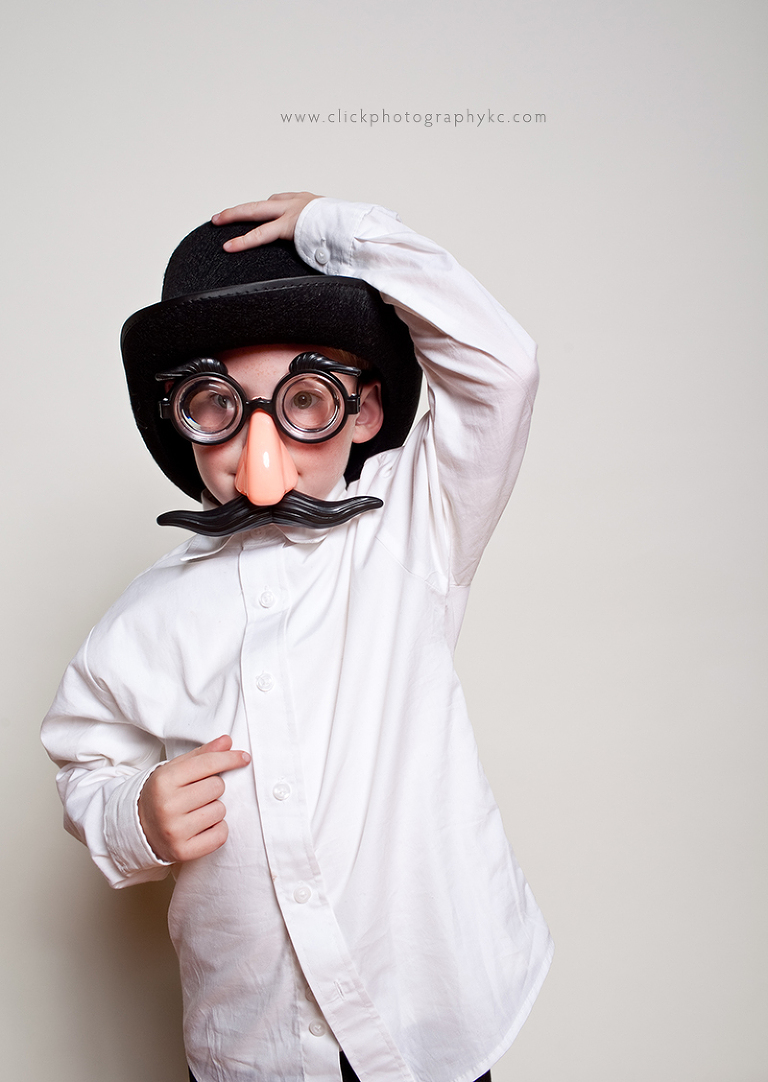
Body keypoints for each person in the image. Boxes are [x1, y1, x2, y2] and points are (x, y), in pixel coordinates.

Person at [41, 192, 553, 1082]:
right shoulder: (142, 619)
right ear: (182, 419)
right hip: (252, 1042)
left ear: (363, 412)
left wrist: (339, 229)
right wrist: (135, 815)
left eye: (304, 401)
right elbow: (86, 764)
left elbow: (503, 369)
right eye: (218, 407)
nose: (262, 459)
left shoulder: (415, 530)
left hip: (428, 1018)